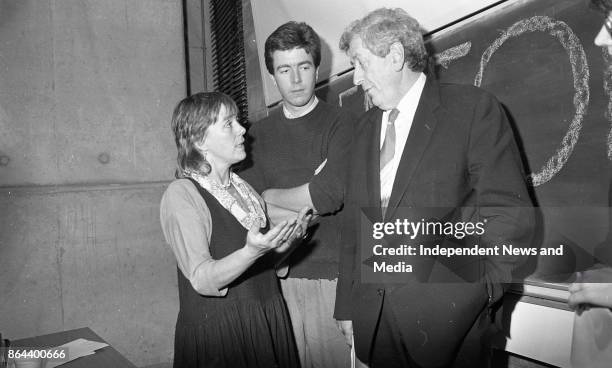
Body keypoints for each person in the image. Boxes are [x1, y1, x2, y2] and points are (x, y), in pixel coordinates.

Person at [263, 8, 534, 368]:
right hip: (375, 326)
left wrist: (476, 294)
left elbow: (509, 217)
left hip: (451, 327)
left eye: (360, 64)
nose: (356, 78)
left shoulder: (471, 111)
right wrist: (347, 308)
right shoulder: (362, 131)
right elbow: (354, 231)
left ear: (395, 56)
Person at [160, 92, 309, 367]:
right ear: (199, 139)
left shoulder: (245, 189)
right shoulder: (182, 194)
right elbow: (202, 279)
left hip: (264, 320)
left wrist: (292, 239)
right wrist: (251, 252)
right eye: (228, 124)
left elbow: (264, 264)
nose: (242, 130)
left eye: (237, 121)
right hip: (223, 334)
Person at [239, 21, 354, 368]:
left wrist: (270, 194)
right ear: (272, 76)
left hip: (331, 277)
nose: (296, 79)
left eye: (304, 67)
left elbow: (328, 195)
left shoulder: (344, 123)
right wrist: (302, 194)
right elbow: (247, 205)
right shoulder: (255, 136)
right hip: (274, 278)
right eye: (284, 70)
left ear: (317, 68)